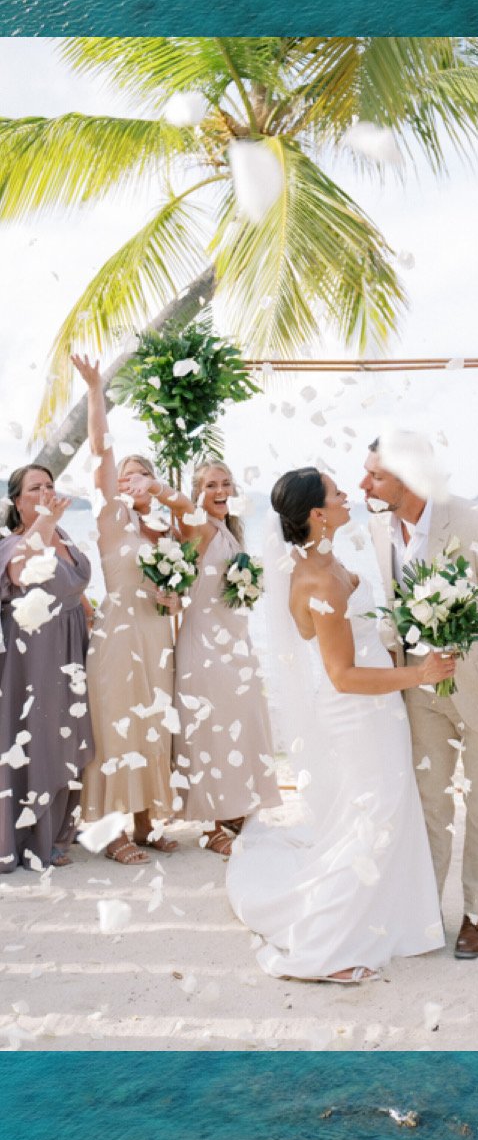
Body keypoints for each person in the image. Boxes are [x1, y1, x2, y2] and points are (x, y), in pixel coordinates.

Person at [224, 468, 456, 986]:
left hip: (377, 706)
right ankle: (325, 946)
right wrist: (419, 673)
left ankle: (394, 922)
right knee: (374, 816)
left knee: (386, 811)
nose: (347, 494)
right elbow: (342, 674)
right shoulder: (318, 578)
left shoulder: (324, 562)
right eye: (336, 492)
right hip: (358, 711)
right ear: (317, 513)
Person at [359, 431, 478, 961]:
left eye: (376, 474)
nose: (363, 482)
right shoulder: (377, 529)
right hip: (418, 690)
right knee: (426, 806)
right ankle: (423, 910)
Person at [68, 348, 181, 865]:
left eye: (140, 475)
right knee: (116, 728)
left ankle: (146, 823)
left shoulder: (164, 534)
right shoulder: (112, 523)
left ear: (150, 485)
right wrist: (96, 390)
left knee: (151, 727)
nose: (128, 478)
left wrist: (170, 595)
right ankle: (111, 831)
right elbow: (100, 451)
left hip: (156, 639)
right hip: (116, 638)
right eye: (125, 474)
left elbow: (178, 594)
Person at [169, 458, 279, 853]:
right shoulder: (198, 526)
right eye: (211, 485)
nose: (221, 491)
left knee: (240, 720)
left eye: (227, 484)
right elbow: (179, 506)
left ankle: (232, 807)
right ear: (198, 492)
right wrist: (156, 490)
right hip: (204, 644)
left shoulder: (229, 531)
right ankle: (210, 823)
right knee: (209, 728)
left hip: (235, 641)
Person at [0, 459, 93, 874]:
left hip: (72, 647)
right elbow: (20, 573)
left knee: (68, 736)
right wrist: (44, 524)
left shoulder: (66, 538)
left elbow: (78, 588)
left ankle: (57, 831)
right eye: (34, 489)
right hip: (33, 653)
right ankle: (30, 838)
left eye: (49, 486)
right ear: (17, 503)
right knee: (35, 735)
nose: (44, 494)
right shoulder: (10, 543)